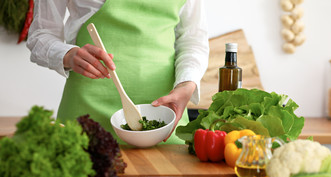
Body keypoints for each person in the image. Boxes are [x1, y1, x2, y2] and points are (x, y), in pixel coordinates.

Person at [26, 0, 209, 144]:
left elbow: (193, 38)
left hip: (164, 117)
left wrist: (187, 84)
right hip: (87, 114)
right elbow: (41, 34)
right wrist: (68, 55)